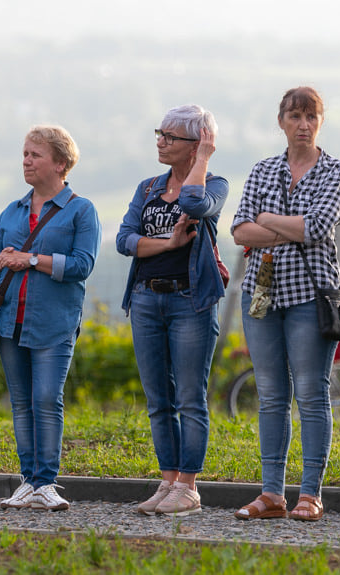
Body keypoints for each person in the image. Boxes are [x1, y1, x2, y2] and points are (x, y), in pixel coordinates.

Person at [231, 87, 340, 522]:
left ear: (320, 122)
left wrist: (268, 222)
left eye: (311, 116)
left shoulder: (334, 170)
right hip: (261, 295)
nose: (303, 124)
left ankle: (311, 494)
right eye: (295, 116)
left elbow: (318, 227)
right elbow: (240, 231)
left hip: (310, 296)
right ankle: (272, 493)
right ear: (281, 121)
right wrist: (288, 229)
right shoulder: (263, 170)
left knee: (312, 395)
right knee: (271, 396)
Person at [0, 125, 101, 511]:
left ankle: (46, 482)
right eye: (25, 154)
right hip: (9, 322)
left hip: (54, 322)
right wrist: (0, 260)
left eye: (35, 155)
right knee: (21, 403)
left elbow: (83, 265)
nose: (26, 161)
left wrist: (31, 259)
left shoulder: (82, 210)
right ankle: (28, 481)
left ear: (60, 163)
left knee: (47, 399)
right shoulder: (12, 211)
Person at [116, 105, 227, 517]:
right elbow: (125, 240)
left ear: (197, 145)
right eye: (159, 133)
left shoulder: (214, 183)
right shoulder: (147, 188)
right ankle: (168, 481)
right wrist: (167, 245)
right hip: (146, 297)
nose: (160, 141)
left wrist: (201, 160)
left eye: (170, 136)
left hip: (190, 301)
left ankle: (189, 487)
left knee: (190, 399)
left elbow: (196, 205)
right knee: (158, 398)